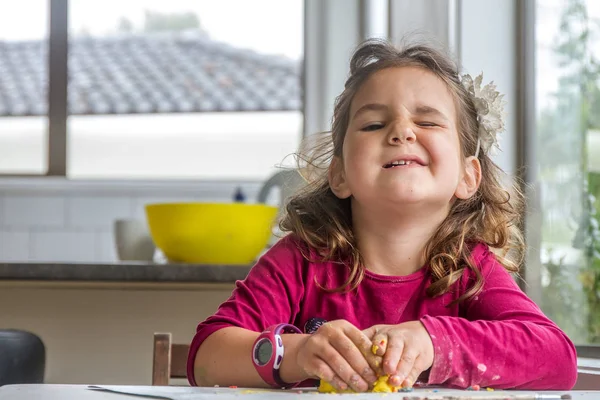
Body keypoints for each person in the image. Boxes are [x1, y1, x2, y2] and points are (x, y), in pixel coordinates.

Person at [186, 38, 578, 392]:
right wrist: (298, 353)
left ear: (468, 176)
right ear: (339, 175)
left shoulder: (471, 272)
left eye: (426, 121)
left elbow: (557, 357)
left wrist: (435, 343)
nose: (401, 132)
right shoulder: (301, 260)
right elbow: (206, 357)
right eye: (374, 124)